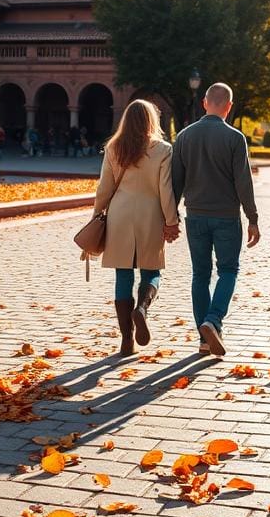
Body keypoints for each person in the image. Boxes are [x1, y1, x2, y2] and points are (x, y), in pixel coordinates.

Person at [172, 83, 259, 357]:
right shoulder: (235, 138)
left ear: (204, 103)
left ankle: (204, 338)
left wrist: (169, 216)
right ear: (229, 106)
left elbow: (175, 182)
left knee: (200, 274)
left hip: (195, 215)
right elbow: (243, 182)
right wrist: (253, 218)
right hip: (226, 216)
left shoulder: (184, 136)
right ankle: (214, 320)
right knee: (228, 270)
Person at [93, 99, 180, 356]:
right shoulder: (163, 149)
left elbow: (104, 188)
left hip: (119, 216)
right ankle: (141, 309)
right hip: (150, 216)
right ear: (152, 120)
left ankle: (126, 341)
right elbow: (166, 190)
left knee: (123, 276)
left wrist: (97, 214)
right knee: (152, 271)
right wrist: (171, 222)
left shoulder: (113, 147)